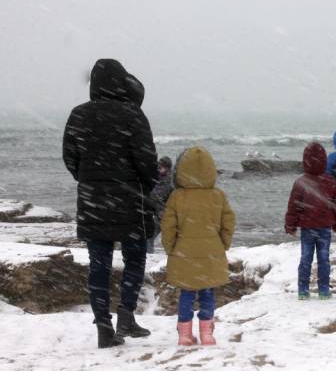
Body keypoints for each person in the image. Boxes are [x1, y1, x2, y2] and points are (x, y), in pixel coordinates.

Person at [63, 59, 158, 348]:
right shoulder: (133, 115)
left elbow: (70, 158)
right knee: (135, 259)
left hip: (93, 202)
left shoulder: (79, 114)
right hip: (131, 201)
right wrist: (143, 185)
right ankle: (126, 315)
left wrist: (91, 179)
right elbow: (147, 161)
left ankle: (104, 326)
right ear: (122, 82)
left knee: (99, 265)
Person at [161, 146, 236, 346]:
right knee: (207, 293)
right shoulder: (218, 196)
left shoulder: (177, 196)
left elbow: (168, 226)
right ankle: (207, 334)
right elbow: (228, 223)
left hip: (184, 253)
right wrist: (223, 244)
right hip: (211, 252)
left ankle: (185, 334)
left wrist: (170, 248)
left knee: (186, 293)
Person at [285, 142, 336, 300]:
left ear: (305, 161)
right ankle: (323, 290)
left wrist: (290, 225)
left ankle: (303, 290)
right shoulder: (330, 181)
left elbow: (293, 206)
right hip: (324, 227)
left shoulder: (301, 182)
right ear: (324, 160)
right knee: (323, 260)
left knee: (306, 259)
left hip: (307, 227)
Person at [147, 156, 174, 253]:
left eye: (160, 167)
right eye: (158, 167)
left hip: (163, 211)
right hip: (160, 210)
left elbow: (160, 195)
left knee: (153, 234)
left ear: (166, 168)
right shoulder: (161, 177)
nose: (158, 169)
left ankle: (149, 251)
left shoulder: (168, 180)